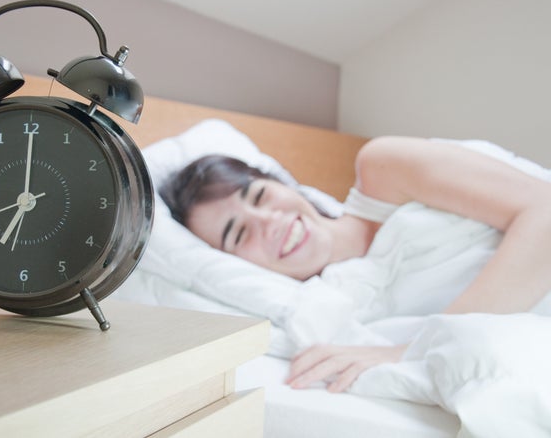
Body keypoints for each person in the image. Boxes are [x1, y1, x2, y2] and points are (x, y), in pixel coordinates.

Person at [160, 136, 551, 393]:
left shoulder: (382, 169)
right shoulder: (330, 316)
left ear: (281, 183)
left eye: (260, 196)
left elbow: (545, 209)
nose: (269, 222)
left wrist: (413, 349)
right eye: (238, 234)